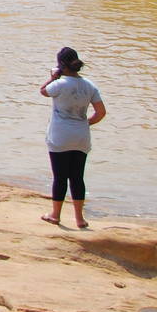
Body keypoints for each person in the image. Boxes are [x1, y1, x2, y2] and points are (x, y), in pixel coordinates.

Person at [40, 46, 106, 229]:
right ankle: (79, 219)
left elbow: (43, 91)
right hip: (81, 136)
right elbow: (101, 112)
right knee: (77, 177)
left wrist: (53, 77)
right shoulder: (89, 85)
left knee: (60, 177)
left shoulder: (60, 84)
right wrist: (85, 124)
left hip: (60, 135)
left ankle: (55, 215)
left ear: (61, 65)